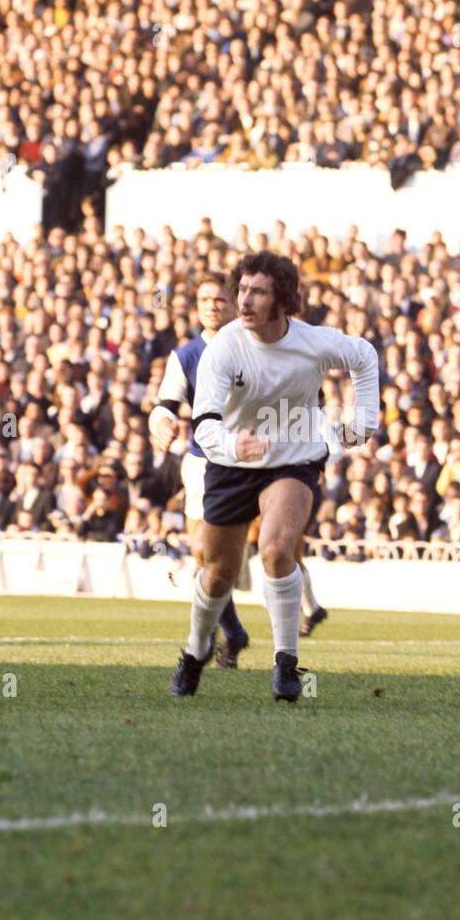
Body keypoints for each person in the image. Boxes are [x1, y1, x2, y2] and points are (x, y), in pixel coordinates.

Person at [170, 250, 378, 701]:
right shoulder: (223, 347)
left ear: (282, 298)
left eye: (257, 291)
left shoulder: (313, 342)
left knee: (277, 548)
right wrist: (233, 445)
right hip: (230, 463)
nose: (243, 300)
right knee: (218, 572)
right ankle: (195, 648)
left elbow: (363, 354)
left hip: (294, 457)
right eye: (241, 289)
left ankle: (286, 663)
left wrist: (365, 419)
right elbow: (203, 423)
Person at [149, 274, 251, 668]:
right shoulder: (185, 354)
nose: (212, 305)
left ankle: (233, 635)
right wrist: (160, 420)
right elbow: (165, 403)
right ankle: (230, 633)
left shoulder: (252, 346)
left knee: (225, 556)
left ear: (233, 304)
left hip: (246, 460)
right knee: (201, 552)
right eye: (205, 299)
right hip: (201, 461)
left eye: (219, 299)